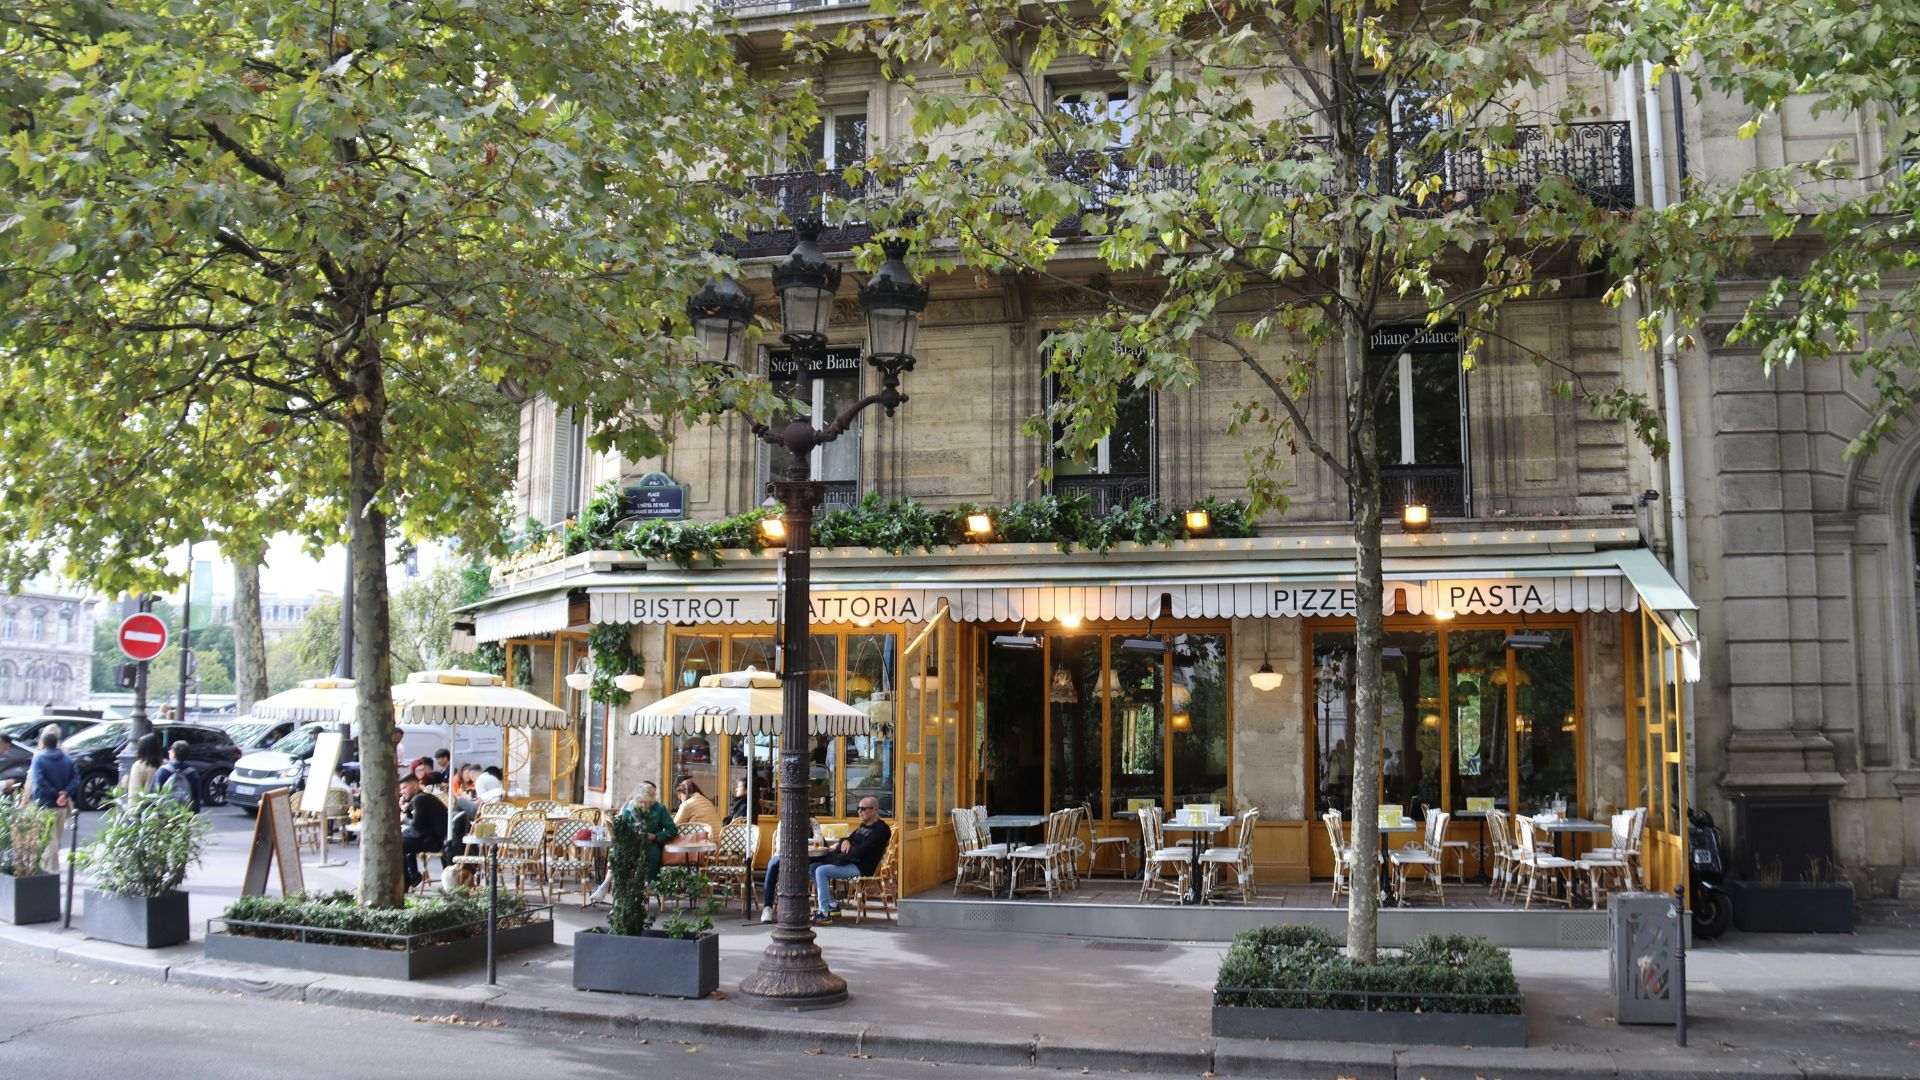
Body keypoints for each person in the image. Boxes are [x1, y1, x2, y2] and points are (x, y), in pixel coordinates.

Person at [588, 781, 677, 904]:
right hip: (631, 844)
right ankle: (608, 888)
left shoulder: (659, 808)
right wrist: (629, 833)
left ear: (651, 801)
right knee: (619, 853)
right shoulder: (630, 808)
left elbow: (672, 830)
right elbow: (622, 828)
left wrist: (655, 836)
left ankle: (614, 895)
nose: (643, 805)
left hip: (650, 845)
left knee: (627, 855)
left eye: (646, 802)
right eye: (640, 802)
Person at [25, 727, 81, 872]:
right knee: (56, 838)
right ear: (57, 743)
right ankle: (48, 868)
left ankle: (51, 871)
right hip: (61, 806)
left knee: (49, 840)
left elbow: (39, 781)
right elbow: (75, 779)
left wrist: (55, 794)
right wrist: (65, 794)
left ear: (43, 743)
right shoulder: (67, 760)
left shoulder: (39, 759)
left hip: (44, 804)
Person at [758, 814, 831, 923]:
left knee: (818, 867)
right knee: (772, 865)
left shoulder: (812, 821)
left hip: (808, 855)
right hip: (784, 855)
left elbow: (819, 840)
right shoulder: (783, 822)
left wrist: (797, 843)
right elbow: (780, 845)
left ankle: (827, 904)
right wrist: (804, 842)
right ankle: (767, 907)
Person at [398, 773, 448, 890]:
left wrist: (404, 818)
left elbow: (416, 824)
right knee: (402, 841)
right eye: (401, 789)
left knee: (398, 845)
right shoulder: (420, 798)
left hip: (436, 841)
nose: (402, 792)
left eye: (405, 787)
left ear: (415, 786)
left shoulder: (420, 799)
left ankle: (407, 883)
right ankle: (413, 878)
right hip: (430, 837)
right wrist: (404, 809)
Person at [151, 740, 204, 812]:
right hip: (185, 815)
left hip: (165, 815)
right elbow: (196, 798)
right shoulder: (192, 773)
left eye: (170, 750)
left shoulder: (163, 771)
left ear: (173, 754)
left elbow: (154, 793)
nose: (169, 751)